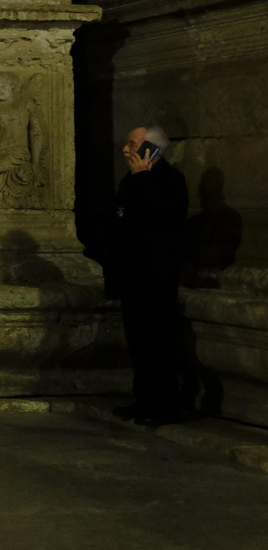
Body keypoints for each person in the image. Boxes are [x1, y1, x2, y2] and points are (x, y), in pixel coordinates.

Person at [109, 125, 189, 426]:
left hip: (157, 275)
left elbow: (162, 221)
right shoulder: (129, 180)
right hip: (133, 274)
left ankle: (163, 404)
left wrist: (142, 179)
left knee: (159, 339)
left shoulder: (171, 179)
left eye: (132, 144)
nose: (125, 149)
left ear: (150, 149)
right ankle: (142, 400)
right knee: (138, 340)